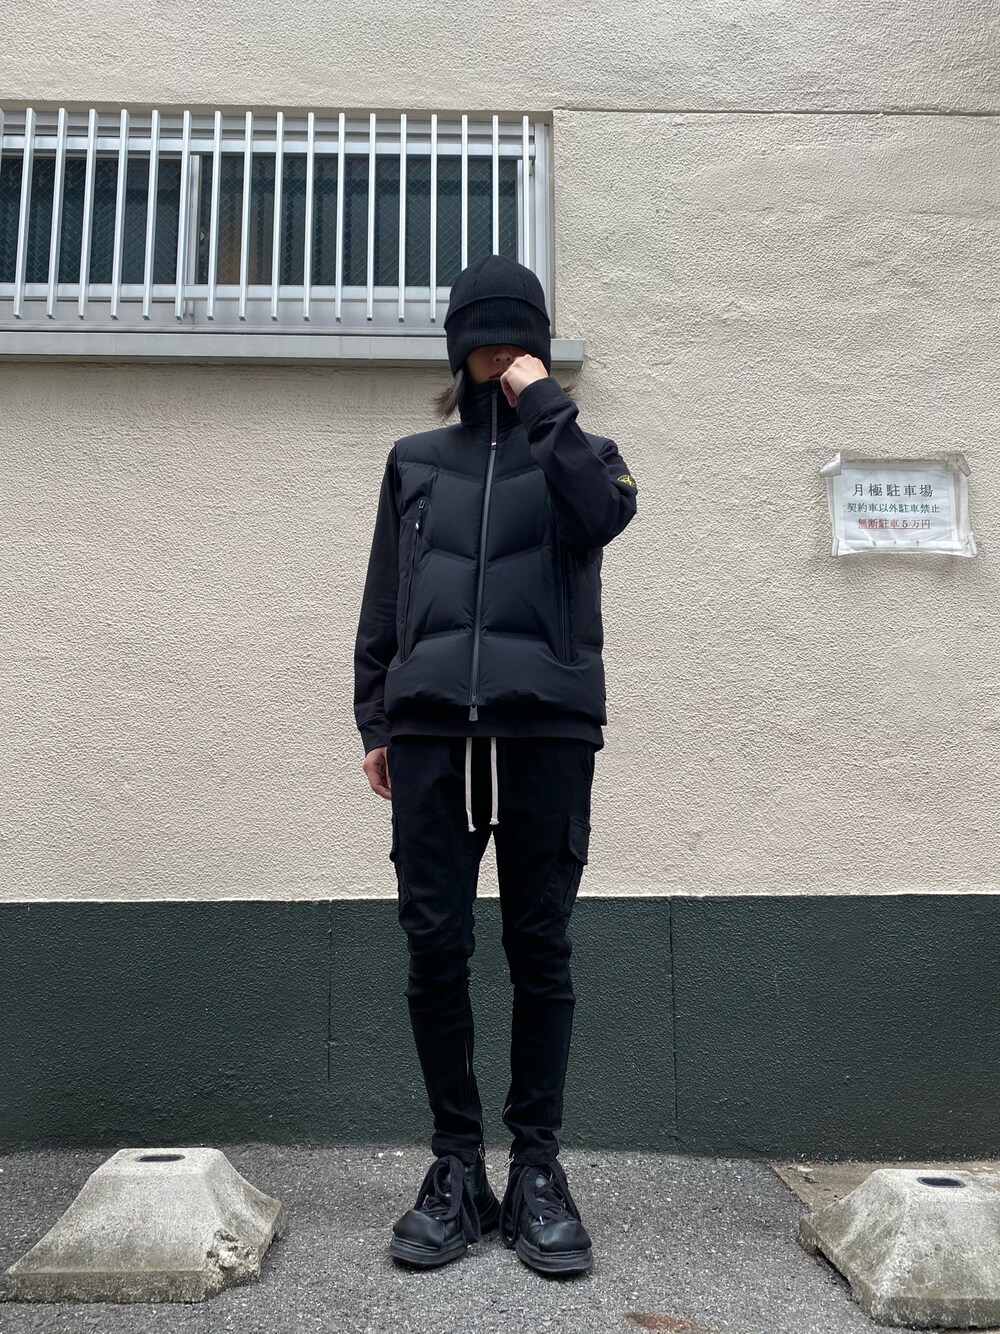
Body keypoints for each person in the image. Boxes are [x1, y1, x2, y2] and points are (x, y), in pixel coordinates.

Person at [353, 254, 637, 1277]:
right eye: (485, 335)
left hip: (544, 733)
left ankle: (538, 1171)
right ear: (456, 345)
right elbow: (385, 597)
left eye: (517, 336)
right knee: (434, 947)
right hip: (432, 734)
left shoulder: (585, 455)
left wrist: (543, 405)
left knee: (539, 948)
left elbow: (603, 517)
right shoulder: (414, 461)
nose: (499, 350)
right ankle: (456, 1167)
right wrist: (376, 718)